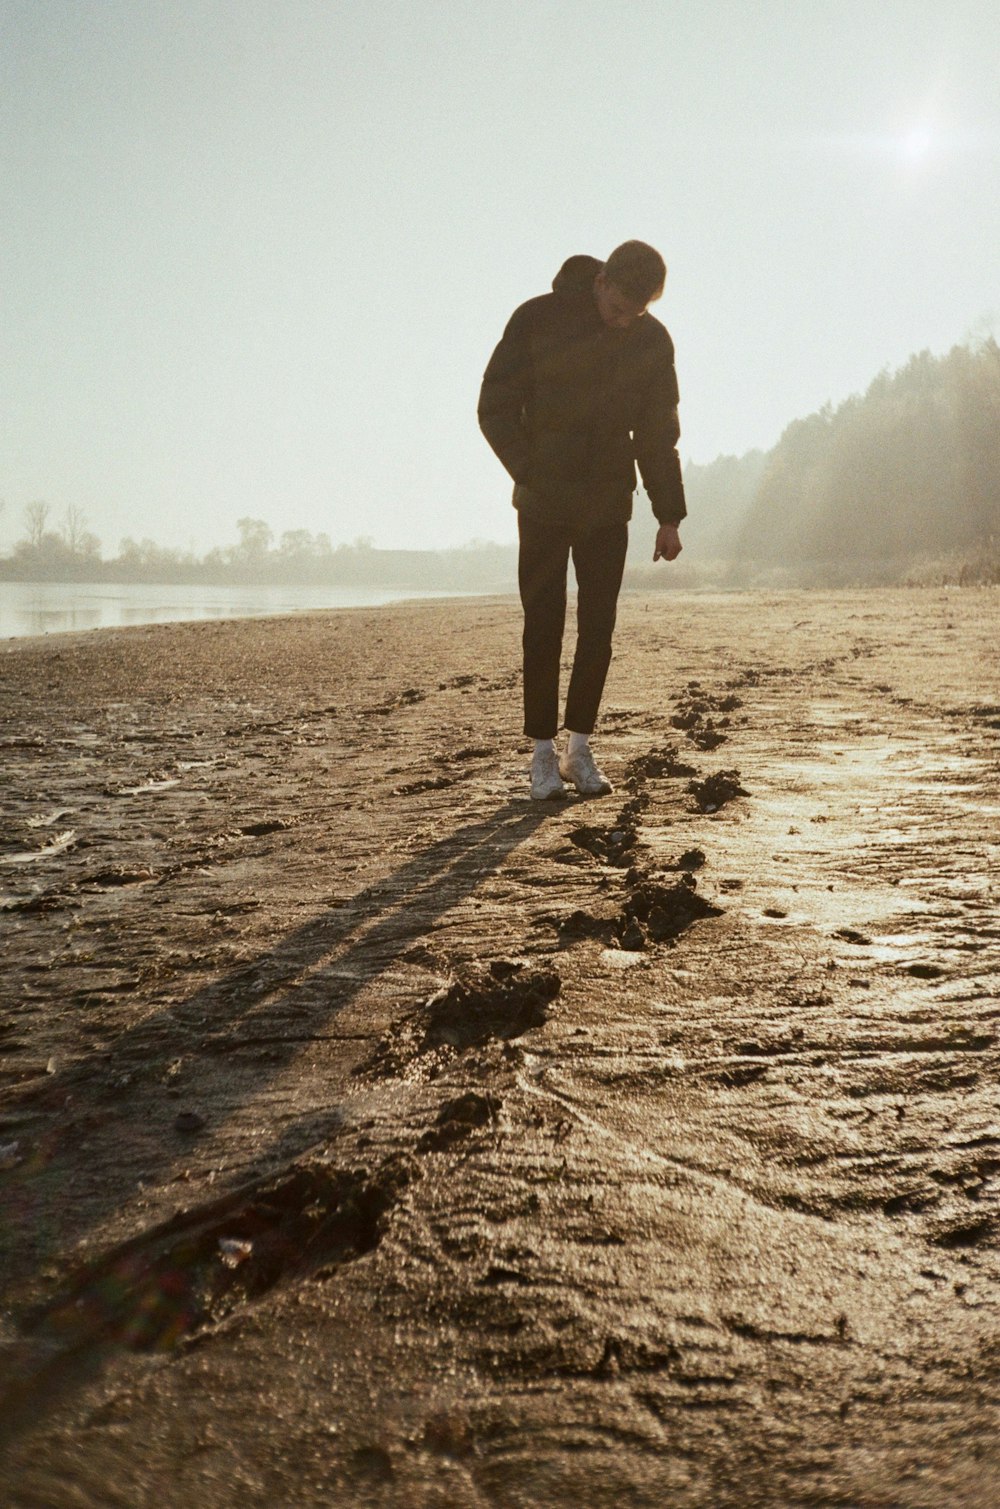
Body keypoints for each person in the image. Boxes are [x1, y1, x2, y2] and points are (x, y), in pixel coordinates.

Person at [478, 239, 686, 800]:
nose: (622, 322)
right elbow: (493, 405)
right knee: (542, 627)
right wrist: (530, 469)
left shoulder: (650, 341)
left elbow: (657, 433)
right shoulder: (536, 319)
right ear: (600, 282)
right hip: (544, 504)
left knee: (598, 628)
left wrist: (668, 515)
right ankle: (542, 754)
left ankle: (579, 748)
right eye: (617, 308)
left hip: (606, 507)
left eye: (635, 314)